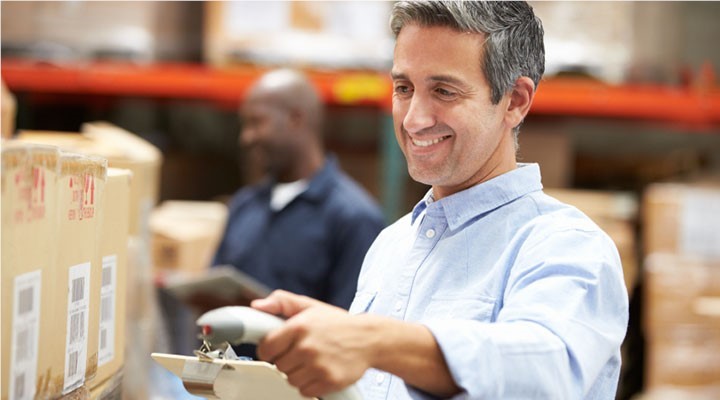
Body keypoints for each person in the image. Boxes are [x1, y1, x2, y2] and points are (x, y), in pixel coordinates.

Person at [249, 2, 629, 400]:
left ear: (515, 101)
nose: (413, 119)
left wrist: (373, 340)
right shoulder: (391, 246)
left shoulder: (566, 246)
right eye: (404, 88)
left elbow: (543, 375)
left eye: (444, 91)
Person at [212, 68, 386, 309]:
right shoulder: (244, 205)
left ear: (296, 119)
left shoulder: (354, 218)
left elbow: (351, 320)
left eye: (256, 123)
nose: (246, 138)